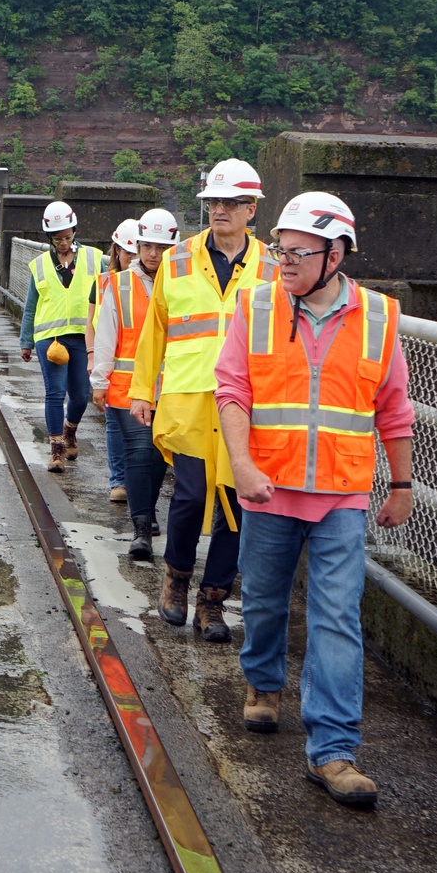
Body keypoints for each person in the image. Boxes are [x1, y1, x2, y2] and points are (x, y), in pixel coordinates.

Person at [215, 191, 414, 808]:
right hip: (269, 487)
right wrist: (242, 465)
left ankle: (333, 750)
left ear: (337, 254)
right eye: (280, 250)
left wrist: (402, 485)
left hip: (342, 496)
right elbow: (232, 390)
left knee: (336, 618)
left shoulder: (379, 318)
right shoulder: (256, 304)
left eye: (299, 253)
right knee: (267, 601)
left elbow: (395, 410)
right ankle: (264, 685)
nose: (284, 262)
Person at [130, 159, 277, 641]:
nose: (219, 210)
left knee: (237, 503)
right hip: (186, 398)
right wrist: (140, 391)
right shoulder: (176, 260)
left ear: (250, 209)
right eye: (213, 202)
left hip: (244, 405)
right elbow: (154, 332)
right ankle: (175, 582)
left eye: (230, 203)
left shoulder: (273, 271)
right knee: (191, 496)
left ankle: (212, 603)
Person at [92, 209, 181, 559]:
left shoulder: (182, 282)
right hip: (128, 389)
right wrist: (99, 380)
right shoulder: (118, 284)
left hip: (173, 387)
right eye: (147, 246)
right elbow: (106, 334)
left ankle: (147, 510)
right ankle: (141, 527)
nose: (153, 254)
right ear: (137, 245)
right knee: (141, 452)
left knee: (160, 455)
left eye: (161, 247)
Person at [20, 201, 101, 472]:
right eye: (57, 239)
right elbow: (31, 305)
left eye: (67, 237)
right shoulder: (39, 265)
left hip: (82, 336)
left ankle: (70, 431)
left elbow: (119, 272)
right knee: (54, 394)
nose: (63, 243)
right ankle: (56, 450)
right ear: (50, 238)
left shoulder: (94, 258)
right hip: (50, 338)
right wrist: (26, 341)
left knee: (79, 395)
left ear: (74, 232)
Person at [86, 218, 140, 504]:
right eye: (126, 252)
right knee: (115, 426)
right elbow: (91, 323)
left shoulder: (154, 283)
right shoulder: (104, 282)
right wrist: (93, 357)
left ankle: (135, 480)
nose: (131, 257)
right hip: (113, 366)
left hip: (141, 369)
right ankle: (118, 480)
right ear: (116, 251)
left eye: (136, 251)